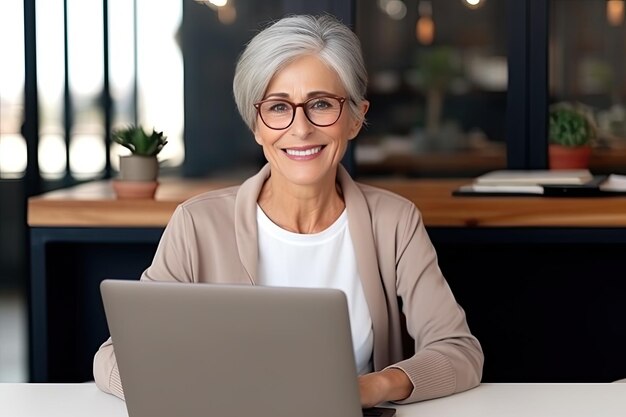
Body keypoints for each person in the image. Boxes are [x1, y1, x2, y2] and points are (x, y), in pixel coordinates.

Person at [93, 14, 483, 407]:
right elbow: (112, 357)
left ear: (355, 117)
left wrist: (374, 387)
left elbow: (459, 351)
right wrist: (193, 394)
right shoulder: (198, 224)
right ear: (256, 124)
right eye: (279, 108)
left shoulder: (394, 221)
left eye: (321, 103)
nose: (300, 129)